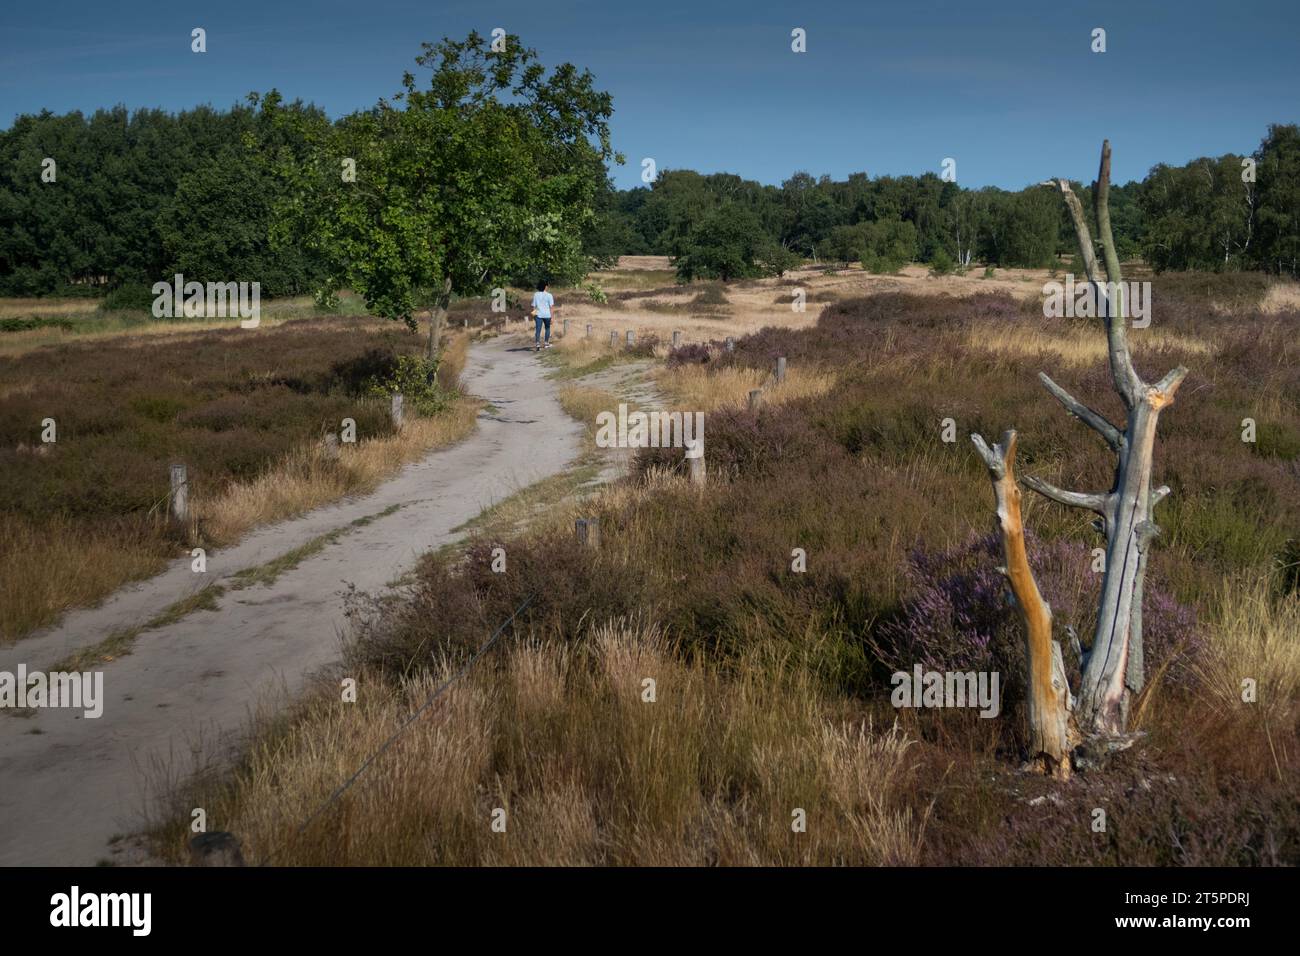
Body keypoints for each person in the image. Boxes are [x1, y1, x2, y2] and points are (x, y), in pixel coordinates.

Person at [530, 280, 557, 351]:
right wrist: (552, 317)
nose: (547, 287)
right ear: (545, 286)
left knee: (538, 330)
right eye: (547, 285)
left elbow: (533, 306)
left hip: (538, 315)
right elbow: (551, 307)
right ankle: (546, 343)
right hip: (547, 315)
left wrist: (534, 315)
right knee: (547, 329)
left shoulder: (536, 294)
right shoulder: (549, 295)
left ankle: (538, 344)